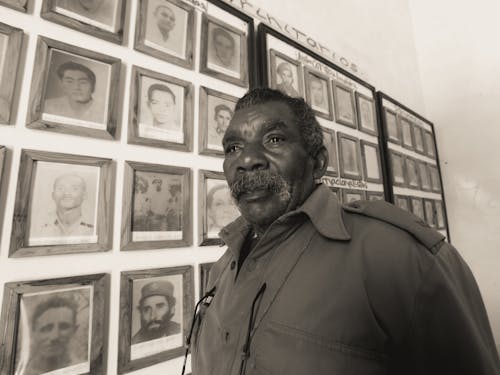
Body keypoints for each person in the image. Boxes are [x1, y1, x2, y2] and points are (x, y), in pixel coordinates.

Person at [189, 88, 500, 375]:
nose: (246, 160)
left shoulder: (397, 258)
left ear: (318, 162)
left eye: (274, 140)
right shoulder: (223, 268)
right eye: (233, 147)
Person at [24, 296, 80, 375]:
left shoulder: (82, 367)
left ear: (74, 330)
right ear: (33, 333)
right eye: (46, 329)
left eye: (64, 327)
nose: (55, 337)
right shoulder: (23, 370)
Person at [38, 173, 94, 237]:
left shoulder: (96, 226)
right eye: (60, 188)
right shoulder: (38, 225)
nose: (66, 193)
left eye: (74, 189)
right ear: (53, 195)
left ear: (84, 195)